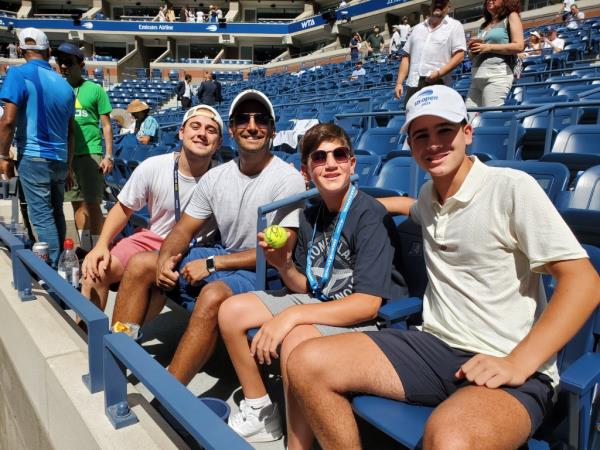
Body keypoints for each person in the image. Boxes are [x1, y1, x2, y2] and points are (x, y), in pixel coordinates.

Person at [286, 85, 600, 450]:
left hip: (508, 360)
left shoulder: (512, 188)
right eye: (422, 135)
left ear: (467, 132)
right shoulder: (428, 197)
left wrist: (518, 362)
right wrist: (368, 209)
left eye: (445, 130)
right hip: (433, 345)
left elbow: (584, 282)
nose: (433, 143)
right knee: (304, 362)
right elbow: (411, 207)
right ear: (412, 146)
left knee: (450, 438)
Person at [219, 123, 406, 445]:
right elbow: (305, 286)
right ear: (306, 171)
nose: (330, 163)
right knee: (232, 310)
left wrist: (288, 317)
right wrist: (284, 265)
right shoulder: (310, 216)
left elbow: (367, 304)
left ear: (352, 163)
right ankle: (261, 410)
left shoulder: (369, 215)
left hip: (364, 319)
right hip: (319, 301)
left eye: (339, 154)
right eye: (319, 157)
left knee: (295, 338)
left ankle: (298, 443)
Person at [110, 90, 306, 387]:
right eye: (243, 119)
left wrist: (214, 263)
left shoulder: (286, 179)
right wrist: (164, 259)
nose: (252, 126)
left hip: (265, 273)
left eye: (260, 120)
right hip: (226, 256)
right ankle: (120, 353)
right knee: (141, 264)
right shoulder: (217, 177)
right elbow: (183, 230)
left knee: (213, 292)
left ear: (273, 130)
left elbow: (281, 252)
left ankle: (169, 393)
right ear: (232, 130)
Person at [81, 105, 222, 311]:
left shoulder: (224, 178)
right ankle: (89, 338)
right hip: (153, 238)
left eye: (211, 130)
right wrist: (101, 245)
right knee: (96, 271)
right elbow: (123, 209)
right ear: (182, 132)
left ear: (218, 143)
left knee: (154, 287)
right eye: (195, 126)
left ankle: (126, 338)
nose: (202, 134)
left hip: (194, 249)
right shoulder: (153, 166)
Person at [0, 28, 75, 268]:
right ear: (49, 52)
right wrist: (70, 167)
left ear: (20, 50)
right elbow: (71, 131)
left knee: (42, 217)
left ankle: (54, 271)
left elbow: (8, 120)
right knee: (56, 213)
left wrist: (3, 155)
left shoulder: (18, 74)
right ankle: (63, 264)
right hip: (60, 160)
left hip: (34, 157)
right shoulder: (64, 85)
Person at [56, 41, 114, 254]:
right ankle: (85, 246)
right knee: (75, 204)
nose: (63, 66)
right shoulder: (58, 89)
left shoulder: (95, 90)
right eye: (60, 62)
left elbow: (106, 125)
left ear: (80, 64)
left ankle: (98, 248)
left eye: (68, 62)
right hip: (66, 156)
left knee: (92, 203)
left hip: (91, 152)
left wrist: (108, 155)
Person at [393, 0, 466, 107]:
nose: (438, 5)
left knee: (432, 120)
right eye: (436, 3)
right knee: (413, 121)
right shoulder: (417, 28)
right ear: (430, 6)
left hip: (437, 83)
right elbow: (406, 57)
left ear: (448, 8)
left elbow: (459, 55)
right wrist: (399, 83)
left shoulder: (455, 25)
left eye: (442, 3)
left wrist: (439, 73)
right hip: (413, 84)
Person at [465, 0, 524, 108]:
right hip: (477, 75)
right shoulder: (484, 24)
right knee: (468, 118)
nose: (489, 0)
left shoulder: (511, 16)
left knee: (490, 117)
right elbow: (473, 55)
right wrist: (473, 50)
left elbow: (519, 46)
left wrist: (489, 47)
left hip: (497, 74)